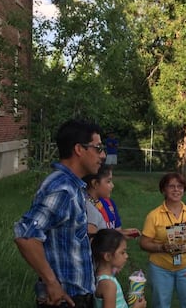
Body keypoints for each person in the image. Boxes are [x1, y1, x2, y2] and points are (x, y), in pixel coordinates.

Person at [14, 119, 106, 308]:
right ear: (79, 149)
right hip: (65, 300)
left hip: (79, 297)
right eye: (98, 148)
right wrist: (52, 283)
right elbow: (26, 236)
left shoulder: (74, 187)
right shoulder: (62, 189)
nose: (103, 155)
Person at [139, 172, 186, 308]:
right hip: (161, 267)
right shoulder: (154, 215)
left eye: (180, 186)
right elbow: (143, 243)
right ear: (164, 190)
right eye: (171, 186)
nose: (176, 190)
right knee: (161, 304)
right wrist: (161, 247)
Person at [91, 229, 147, 308]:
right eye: (122, 252)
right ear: (108, 256)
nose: (126, 256)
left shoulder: (102, 278)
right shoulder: (109, 285)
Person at [83, 164, 140, 238]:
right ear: (95, 183)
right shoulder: (88, 209)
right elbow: (92, 243)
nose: (112, 185)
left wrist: (121, 233)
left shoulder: (108, 203)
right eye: (108, 181)